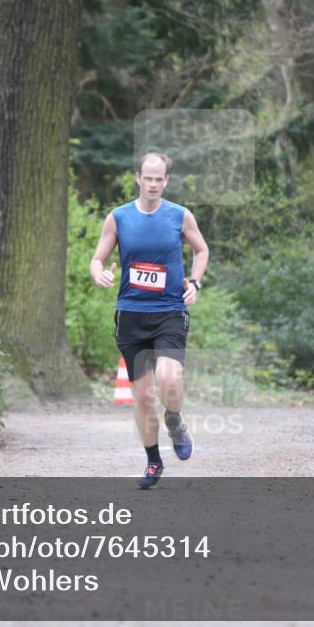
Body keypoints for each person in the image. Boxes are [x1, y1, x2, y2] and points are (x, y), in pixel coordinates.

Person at [90, 152, 210, 488]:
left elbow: (202, 250)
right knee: (143, 396)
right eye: (149, 178)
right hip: (130, 314)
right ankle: (154, 462)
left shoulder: (180, 216)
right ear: (138, 178)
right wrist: (99, 273)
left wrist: (196, 282)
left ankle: (174, 419)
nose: (154, 184)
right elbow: (98, 258)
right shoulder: (118, 218)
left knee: (169, 380)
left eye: (160, 179)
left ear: (166, 181)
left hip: (169, 311)